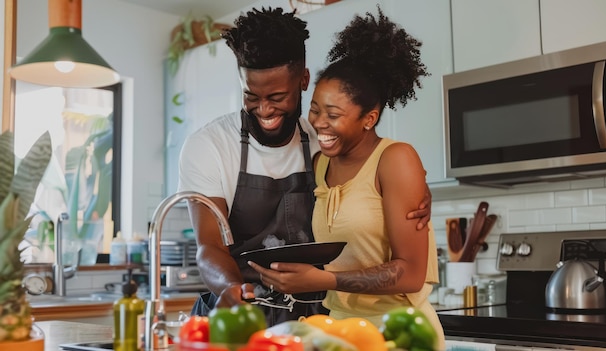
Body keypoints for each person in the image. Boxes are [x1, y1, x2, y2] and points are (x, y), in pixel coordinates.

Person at [178, 7, 432, 327]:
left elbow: (377, 169)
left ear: (304, 80)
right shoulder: (209, 146)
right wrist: (231, 288)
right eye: (251, 96)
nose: (264, 110)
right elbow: (208, 246)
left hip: (318, 318)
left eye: (277, 96)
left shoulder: (323, 140)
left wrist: (414, 186)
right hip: (242, 315)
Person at [247, 6, 445, 348]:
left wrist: (324, 278)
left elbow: (411, 274)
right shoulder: (320, 163)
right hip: (339, 332)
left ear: (369, 118)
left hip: (397, 332)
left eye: (333, 114)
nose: (319, 123)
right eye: (315, 109)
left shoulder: (395, 159)